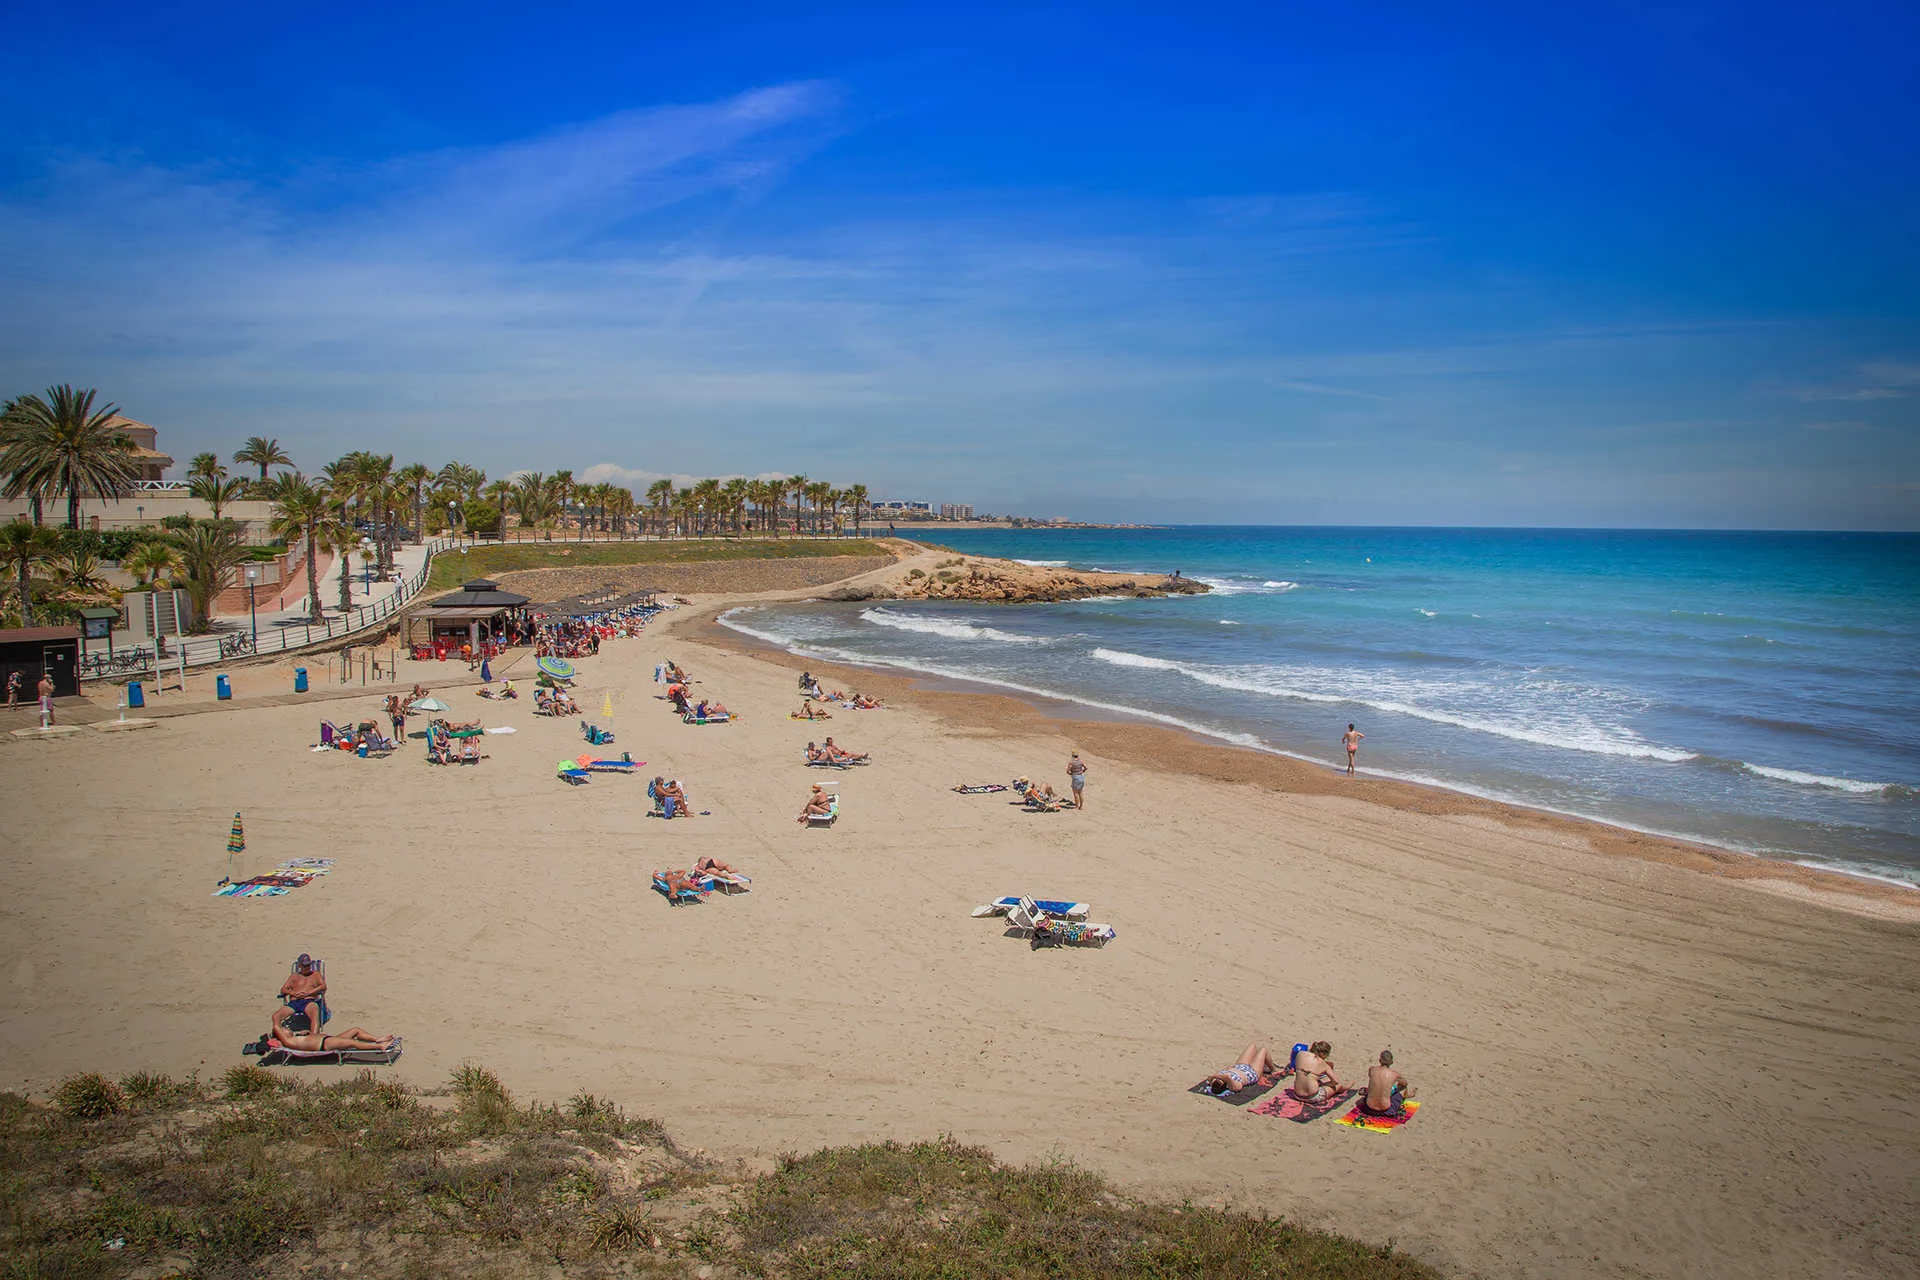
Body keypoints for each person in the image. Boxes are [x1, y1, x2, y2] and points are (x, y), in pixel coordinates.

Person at [269, 1005, 394, 1053]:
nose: (286, 1029)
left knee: (355, 1030)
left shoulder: (295, 1037)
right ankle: (379, 1047)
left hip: (329, 1039)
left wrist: (306, 1034)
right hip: (325, 1044)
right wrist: (277, 1023)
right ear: (281, 1035)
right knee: (352, 1042)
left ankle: (377, 1039)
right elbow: (276, 1024)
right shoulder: (288, 1041)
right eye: (284, 1029)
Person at [1203, 1043, 1287, 1096]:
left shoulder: (1215, 1081)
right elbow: (1227, 1078)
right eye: (1219, 1081)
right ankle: (1274, 1069)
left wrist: (1215, 1077)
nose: (1217, 1080)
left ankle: (1260, 1062)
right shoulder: (1233, 1086)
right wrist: (1221, 1077)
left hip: (1240, 1066)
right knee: (1263, 1050)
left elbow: (1211, 1077)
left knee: (1252, 1046)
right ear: (1224, 1086)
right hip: (1252, 1072)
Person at [278, 954, 329, 1030]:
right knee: (275, 1017)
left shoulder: (315, 974)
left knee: (314, 1014)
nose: (307, 967)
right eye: (305, 966)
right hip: (294, 1003)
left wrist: (309, 993)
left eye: (308, 965)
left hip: (308, 1001)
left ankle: (314, 1037)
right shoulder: (294, 976)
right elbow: (283, 989)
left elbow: (323, 986)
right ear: (299, 966)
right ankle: (279, 1037)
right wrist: (293, 993)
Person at [1360, 1049, 1416, 1116]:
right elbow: (1405, 1084)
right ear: (1391, 1062)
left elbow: (1371, 1078)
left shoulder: (1372, 1069)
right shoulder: (1395, 1074)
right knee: (1398, 1095)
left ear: (1379, 1060)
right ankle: (1405, 1095)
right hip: (1385, 1109)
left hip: (1369, 1108)